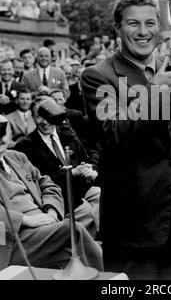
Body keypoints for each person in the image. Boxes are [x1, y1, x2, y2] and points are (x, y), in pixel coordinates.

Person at [81, 0, 171, 280]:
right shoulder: (98, 76)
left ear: (159, 27)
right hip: (134, 220)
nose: (143, 32)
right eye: (133, 23)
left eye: (150, 23)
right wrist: (153, 91)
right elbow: (114, 135)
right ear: (117, 28)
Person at [0, 115, 103, 271]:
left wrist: (52, 213)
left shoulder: (16, 157)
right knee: (72, 230)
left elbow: (49, 185)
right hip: (15, 238)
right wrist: (26, 220)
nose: (1, 138)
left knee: (71, 254)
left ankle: (108, 276)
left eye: (3, 132)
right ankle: (108, 278)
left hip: (44, 227)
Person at [15, 97, 100, 238]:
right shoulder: (25, 146)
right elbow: (39, 184)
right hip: (61, 200)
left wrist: (88, 169)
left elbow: (84, 158)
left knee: (107, 198)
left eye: (48, 115)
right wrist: (72, 173)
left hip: (82, 190)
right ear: (32, 117)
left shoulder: (68, 133)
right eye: (39, 116)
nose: (45, 121)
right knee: (91, 212)